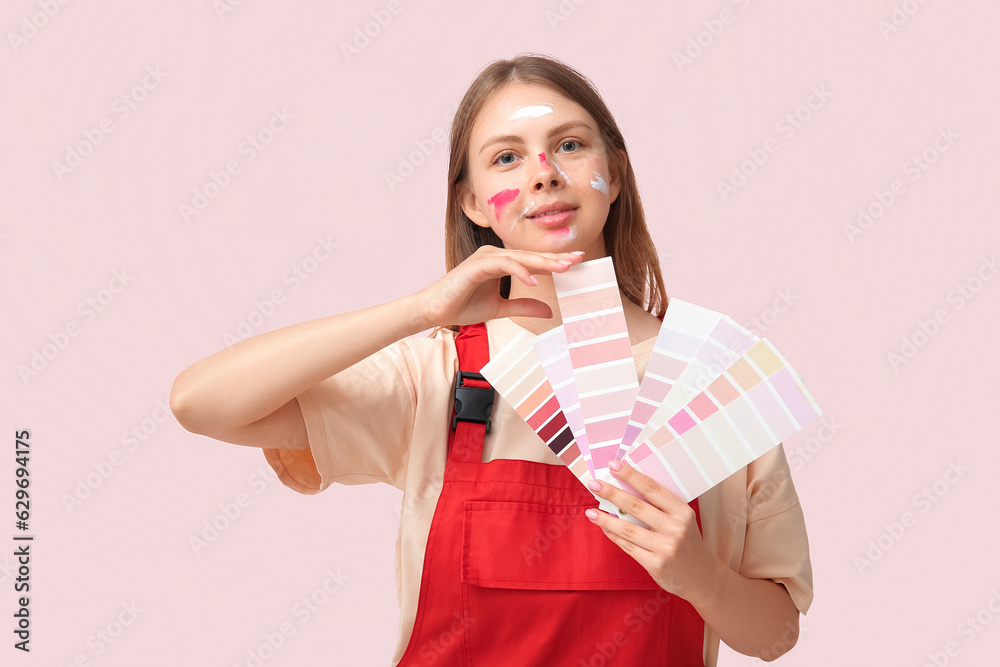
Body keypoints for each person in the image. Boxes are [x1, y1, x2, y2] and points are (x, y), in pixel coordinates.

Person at [170, 53, 813, 666]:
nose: (543, 172)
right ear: (472, 202)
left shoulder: (715, 380)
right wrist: (421, 310)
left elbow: (776, 633)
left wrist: (702, 579)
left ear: (613, 172)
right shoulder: (438, 376)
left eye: (569, 144)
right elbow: (199, 402)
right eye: (507, 157)